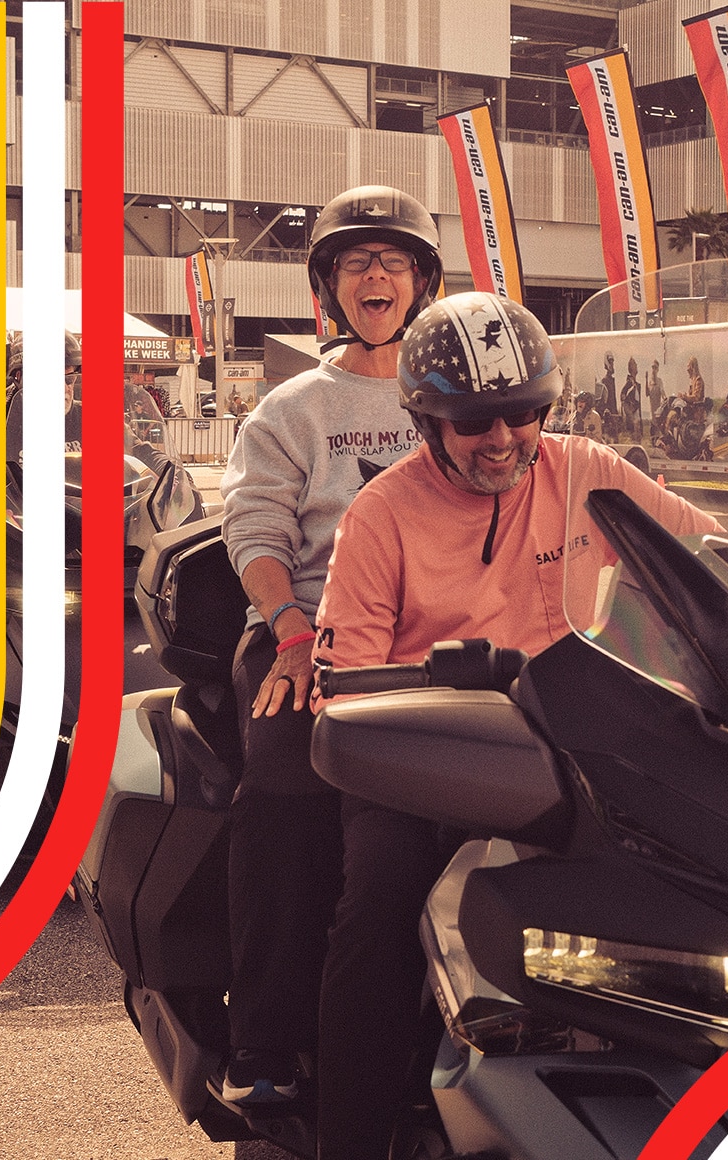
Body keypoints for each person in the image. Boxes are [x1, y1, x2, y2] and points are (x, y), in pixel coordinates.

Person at [310, 291, 722, 1160]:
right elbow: (342, 681)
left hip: (584, 749)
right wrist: (405, 707)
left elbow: (709, 561)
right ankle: (351, 1135)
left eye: (522, 413)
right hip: (433, 760)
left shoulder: (589, 472)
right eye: (474, 421)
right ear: (429, 421)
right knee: (377, 910)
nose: (503, 438)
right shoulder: (380, 515)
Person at [217, 184, 443, 1107]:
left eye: (393, 261)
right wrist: (293, 634)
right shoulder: (293, 407)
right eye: (356, 262)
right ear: (330, 287)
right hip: (300, 633)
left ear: (424, 282)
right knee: (285, 785)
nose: (375, 275)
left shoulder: (461, 393)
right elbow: (255, 534)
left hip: (432, 644)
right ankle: (265, 1042)